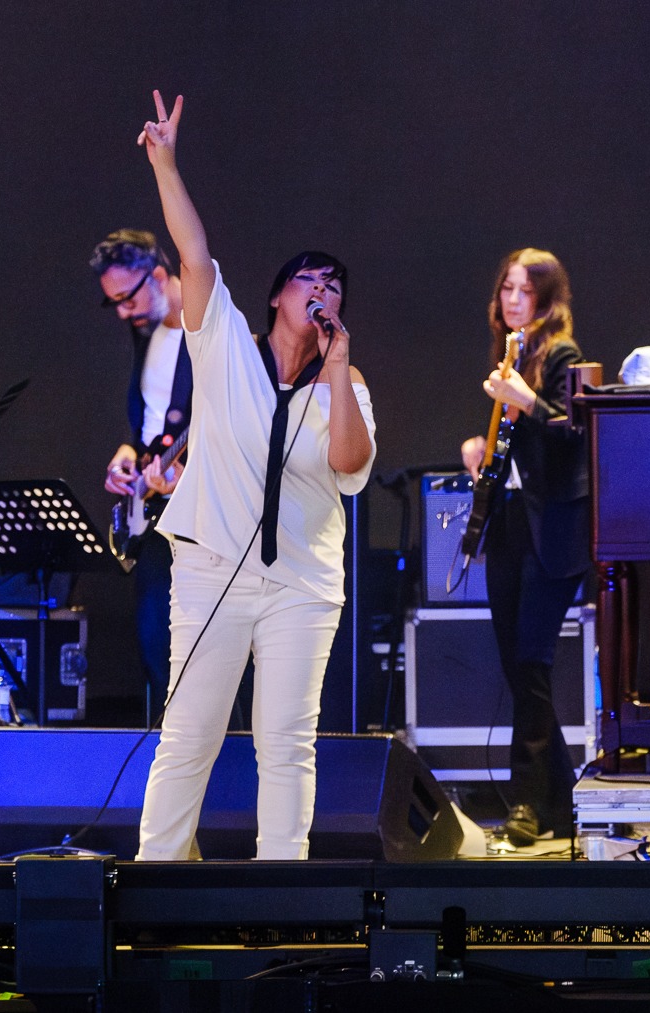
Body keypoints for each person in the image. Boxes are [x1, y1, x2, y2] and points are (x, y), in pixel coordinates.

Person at [133, 91, 377, 861]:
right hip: (210, 568)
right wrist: (166, 165)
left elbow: (349, 465)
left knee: (286, 742)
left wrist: (338, 373)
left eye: (335, 285)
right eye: (310, 279)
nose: (323, 291)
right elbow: (194, 259)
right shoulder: (225, 345)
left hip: (303, 582)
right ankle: (156, 878)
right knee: (191, 733)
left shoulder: (348, 385)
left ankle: (284, 891)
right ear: (277, 294)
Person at [458, 249, 590, 846]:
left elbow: (575, 432)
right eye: (506, 287)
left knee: (532, 664)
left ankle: (528, 808)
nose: (512, 299)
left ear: (545, 299)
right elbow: (518, 441)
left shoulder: (561, 354)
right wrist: (481, 452)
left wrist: (526, 401)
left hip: (551, 530)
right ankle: (561, 799)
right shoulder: (511, 351)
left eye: (523, 290)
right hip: (511, 523)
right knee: (518, 666)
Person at [91, 228, 193, 710]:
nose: (123, 312)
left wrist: (187, 474)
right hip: (156, 512)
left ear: (158, 276)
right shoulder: (148, 333)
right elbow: (154, 425)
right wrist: (127, 454)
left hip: (204, 519)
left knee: (198, 653)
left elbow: (230, 427)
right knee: (155, 643)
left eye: (128, 298)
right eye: (112, 302)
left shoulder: (207, 335)